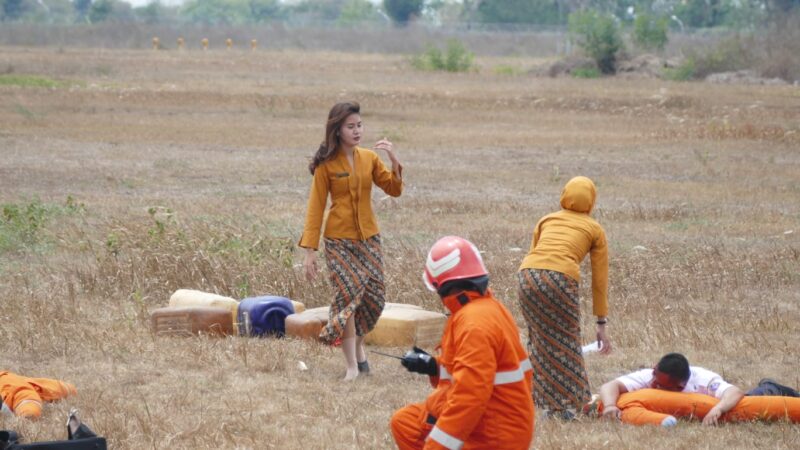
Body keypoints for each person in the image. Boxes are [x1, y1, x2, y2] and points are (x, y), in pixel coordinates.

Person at [390, 236, 534, 450]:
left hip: (493, 433)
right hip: (499, 418)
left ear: (442, 286)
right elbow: (476, 369)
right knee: (405, 423)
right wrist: (433, 366)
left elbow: (469, 397)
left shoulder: (473, 324)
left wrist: (438, 445)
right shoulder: (486, 309)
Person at [298, 101, 403, 381]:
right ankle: (352, 367)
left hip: (369, 239)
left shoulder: (369, 158)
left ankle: (358, 348)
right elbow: (315, 208)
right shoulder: (325, 166)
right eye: (350, 126)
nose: (357, 131)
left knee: (374, 298)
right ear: (338, 130)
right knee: (347, 298)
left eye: (359, 125)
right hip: (338, 241)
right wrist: (311, 252)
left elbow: (393, 190)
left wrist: (394, 161)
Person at [517, 175, 610, 419]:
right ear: (591, 201)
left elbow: (534, 252)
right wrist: (601, 322)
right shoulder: (594, 228)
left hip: (527, 275)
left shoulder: (546, 219)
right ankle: (573, 405)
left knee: (539, 340)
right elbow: (599, 280)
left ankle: (538, 402)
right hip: (560, 279)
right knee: (566, 342)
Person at [594, 352, 800, 426]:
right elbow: (611, 385)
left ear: (680, 386)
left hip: (728, 402)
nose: (653, 384)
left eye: (660, 385)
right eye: (654, 378)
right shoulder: (652, 375)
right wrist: (611, 405)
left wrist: (718, 409)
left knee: (748, 402)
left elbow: (733, 393)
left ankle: (770, 387)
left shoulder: (703, 379)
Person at [1, 370, 77, 419]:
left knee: (66, 389)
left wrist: (26, 415)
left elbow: (29, 408)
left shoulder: (13, 388)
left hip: (19, 388)